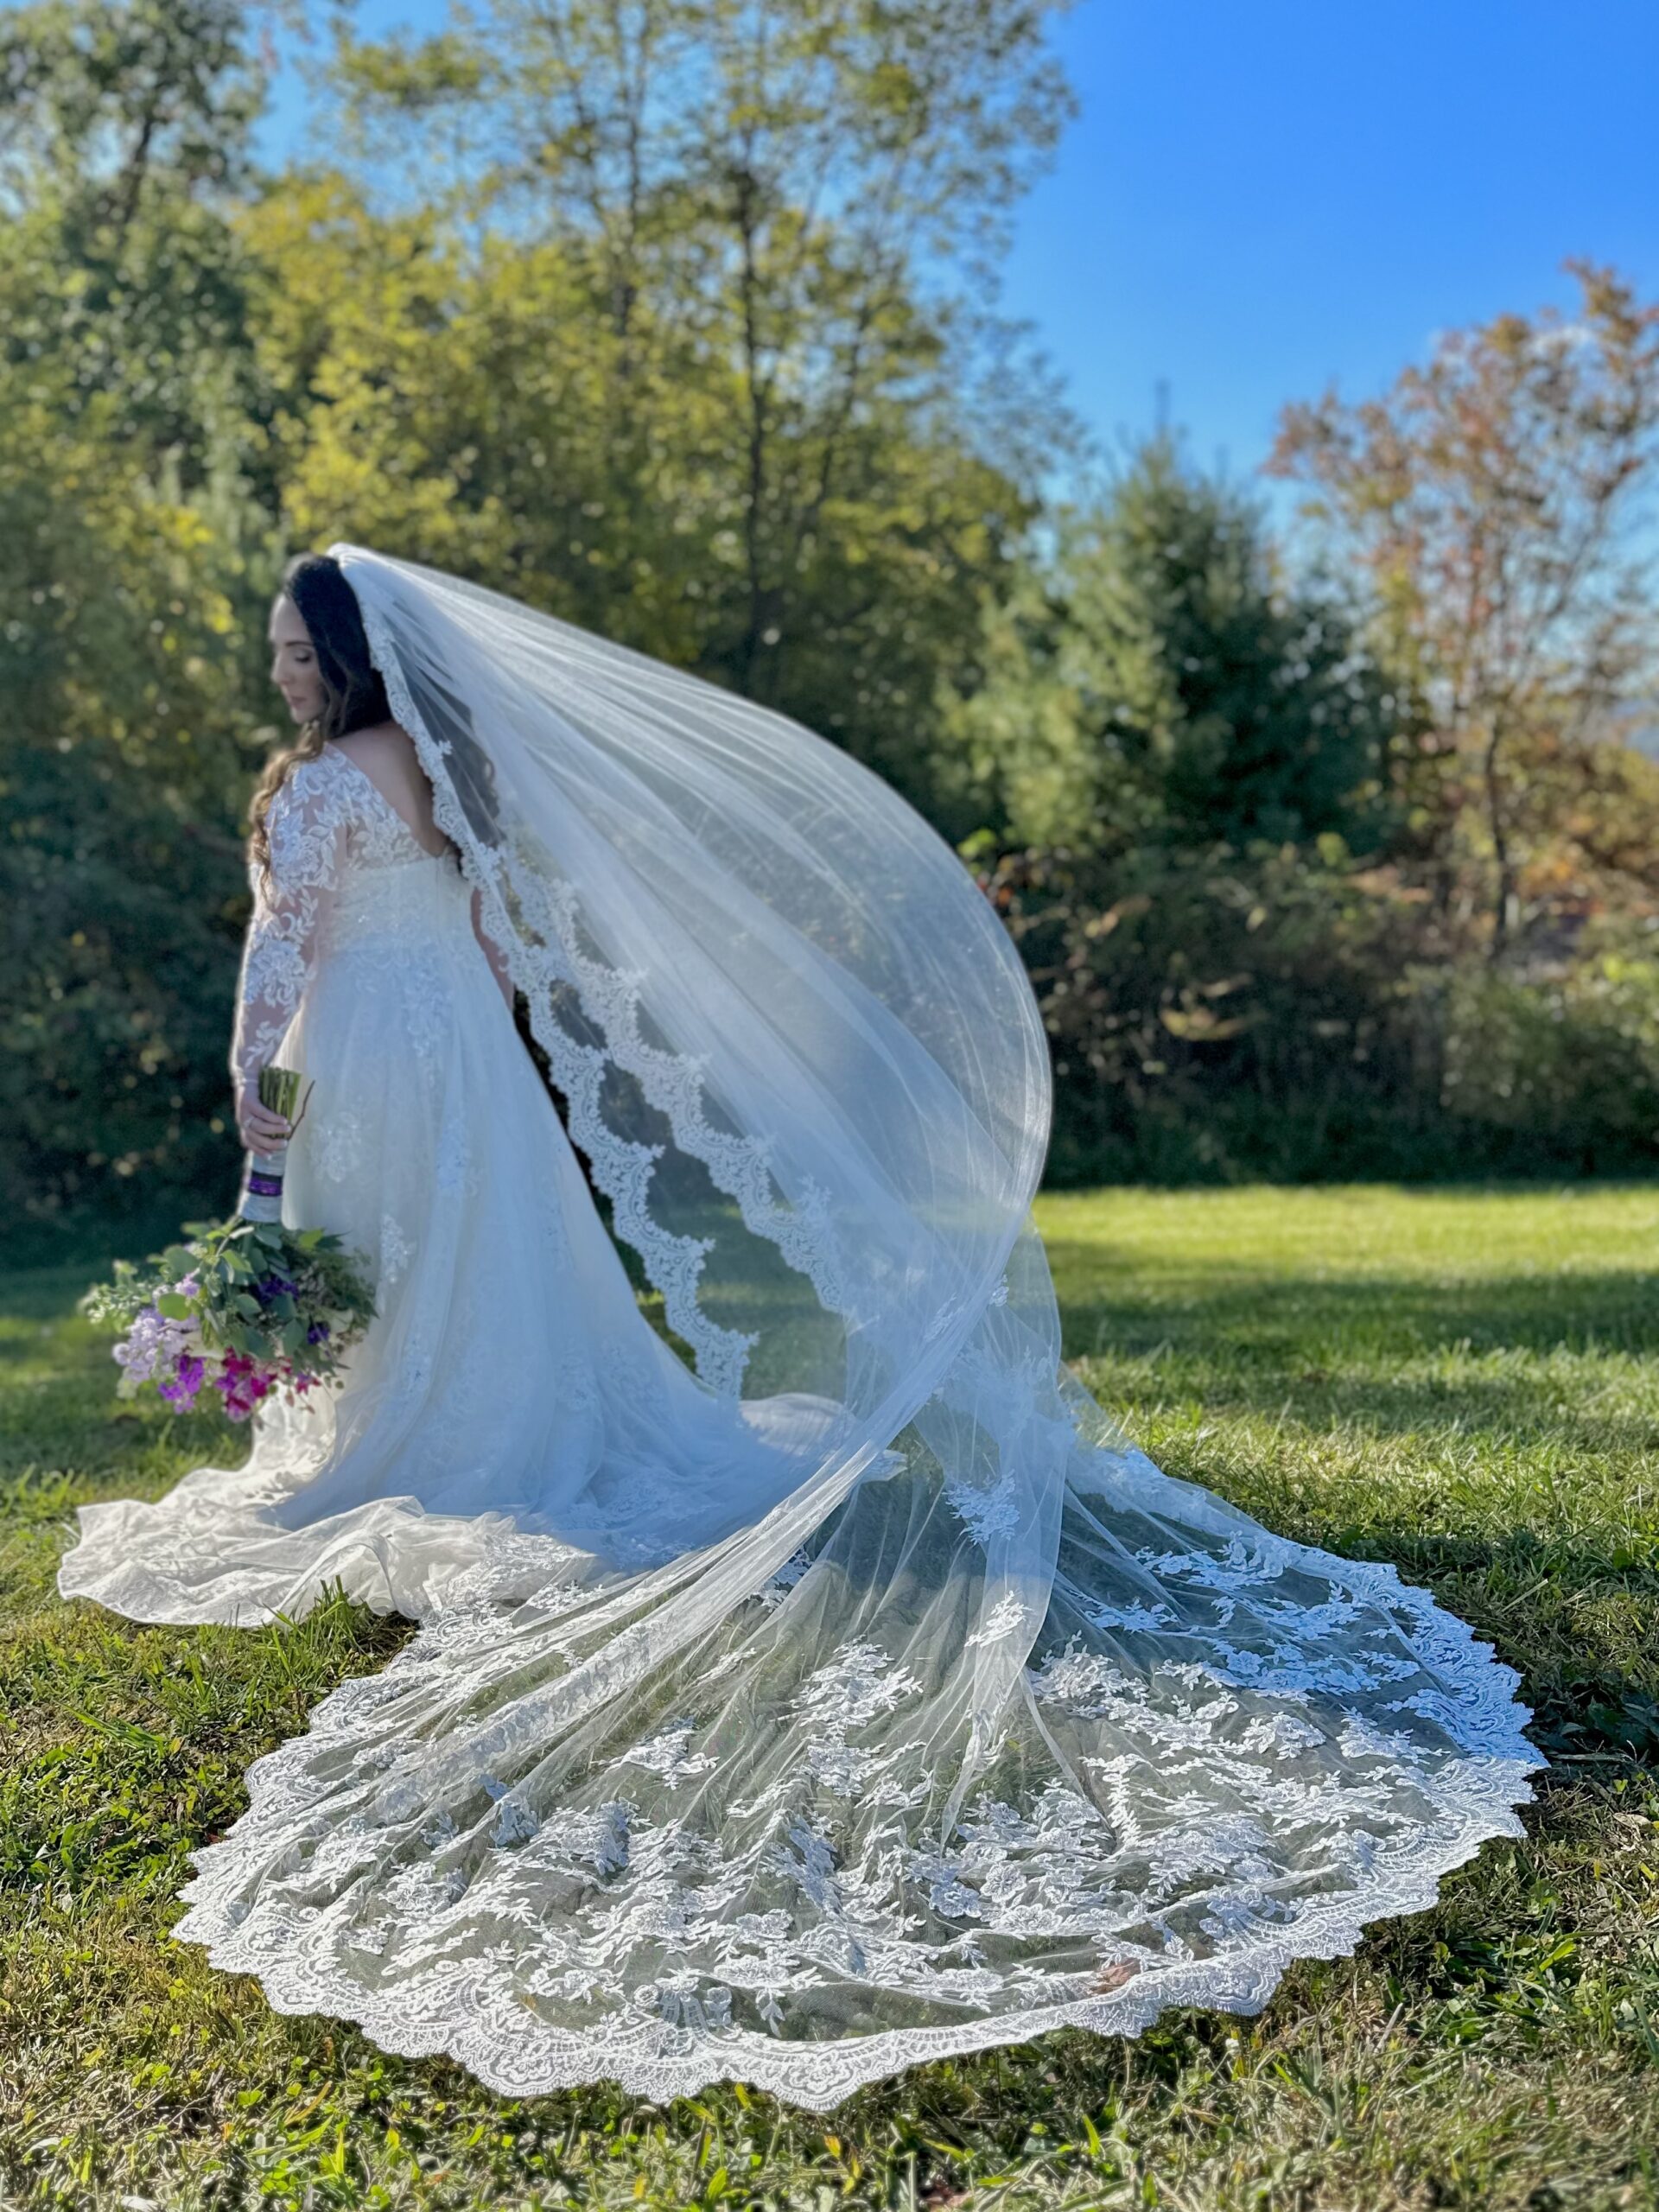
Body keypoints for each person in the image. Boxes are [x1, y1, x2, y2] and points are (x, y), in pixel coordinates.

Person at [60, 547, 1541, 2113]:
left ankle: (415, 1443)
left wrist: (263, 1125)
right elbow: (495, 945)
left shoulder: (313, 791)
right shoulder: (441, 765)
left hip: (363, 1057)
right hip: (468, 1072)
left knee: (389, 1266)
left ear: (351, 654)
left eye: (298, 650)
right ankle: (500, 1429)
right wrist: (470, 1049)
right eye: (281, 652)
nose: (282, 672)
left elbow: (278, 963)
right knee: (484, 1261)